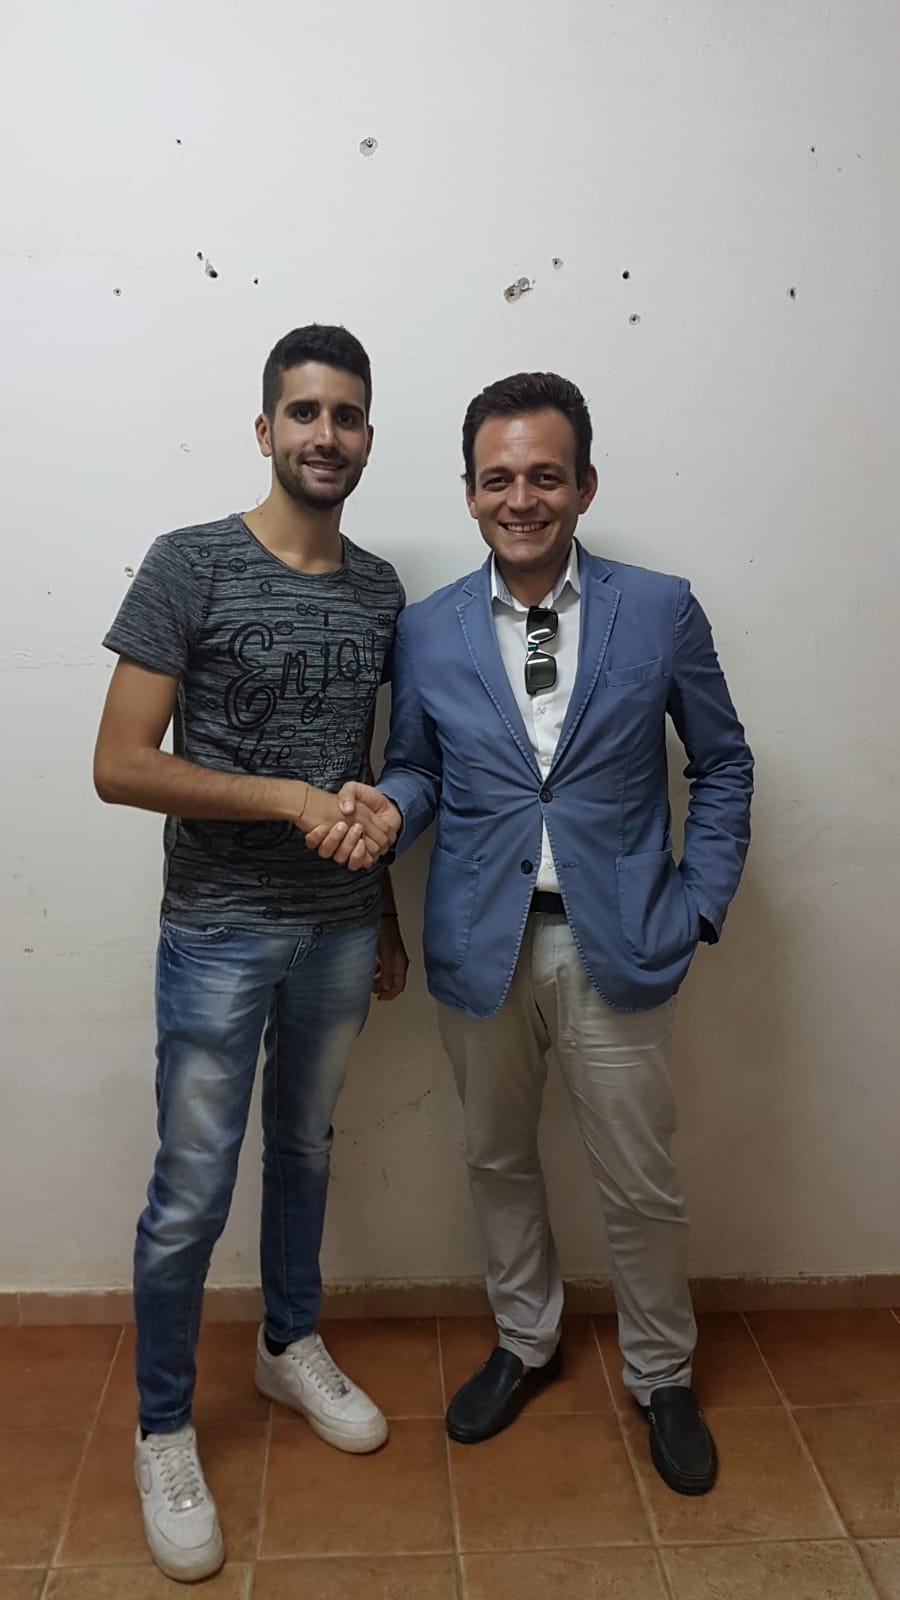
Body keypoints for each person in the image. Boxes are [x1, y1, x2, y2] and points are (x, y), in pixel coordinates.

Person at [306, 370, 753, 1497]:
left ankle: (662, 1372)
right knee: (495, 1157)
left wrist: (697, 902)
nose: (521, 499)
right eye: (498, 478)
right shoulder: (429, 627)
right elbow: (418, 764)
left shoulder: (661, 608)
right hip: (481, 941)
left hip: (621, 942)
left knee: (639, 1181)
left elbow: (725, 762)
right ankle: (526, 1339)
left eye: (545, 476)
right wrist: (393, 806)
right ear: (469, 492)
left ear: (584, 485)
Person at [93, 323, 407, 1581]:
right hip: (218, 930)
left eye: (347, 415)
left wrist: (385, 912)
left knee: (306, 1148)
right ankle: (163, 1426)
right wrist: (284, 799)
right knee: (190, 1188)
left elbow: (365, 771)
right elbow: (119, 764)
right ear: (266, 426)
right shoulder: (191, 562)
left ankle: (287, 1343)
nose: (326, 434)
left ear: (368, 437)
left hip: (338, 929)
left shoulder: (380, 590)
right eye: (305, 411)